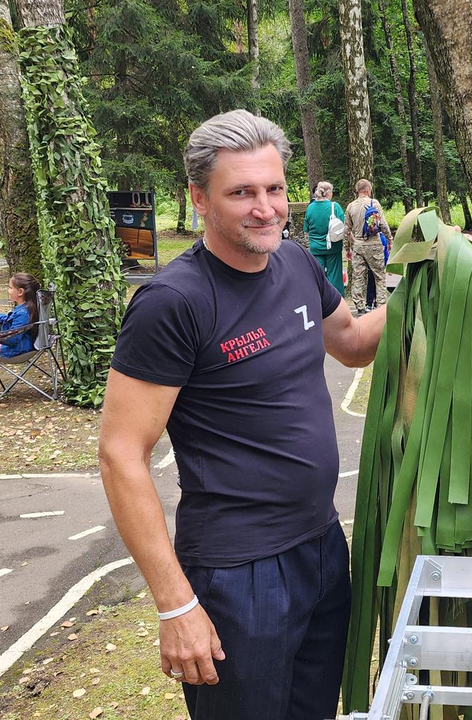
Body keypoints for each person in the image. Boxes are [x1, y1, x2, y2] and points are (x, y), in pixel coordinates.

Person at [98, 110, 389, 720]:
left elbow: (356, 343)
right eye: (242, 193)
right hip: (237, 573)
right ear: (199, 199)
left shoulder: (297, 265)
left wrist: (430, 277)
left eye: (275, 189)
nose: (265, 208)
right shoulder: (172, 303)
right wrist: (176, 605)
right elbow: (122, 453)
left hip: (321, 546)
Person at [344, 179, 392, 314]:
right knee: (379, 276)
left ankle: (359, 305)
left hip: (358, 245)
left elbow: (346, 230)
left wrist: (347, 248)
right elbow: (382, 224)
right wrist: (389, 240)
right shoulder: (374, 203)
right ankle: (381, 305)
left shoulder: (351, 206)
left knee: (358, 277)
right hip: (374, 244)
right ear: (368, 190)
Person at [304, 180, 347, 295]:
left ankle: (319, 298)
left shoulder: (310, 208)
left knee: (318, 275)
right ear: (328, 193)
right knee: (335, 275)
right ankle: (336, 300)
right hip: (333, 246)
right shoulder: (335, 207)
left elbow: (306, 229)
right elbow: (343, 227)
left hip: (316, 247)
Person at [1, 273, 40, 358]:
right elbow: (11, 320)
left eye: (10, 288)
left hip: (18, 348)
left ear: (20, 292)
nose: (8, 290)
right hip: (19, 344)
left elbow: (12, 339)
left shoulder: (23, 313)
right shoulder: (24, 309)